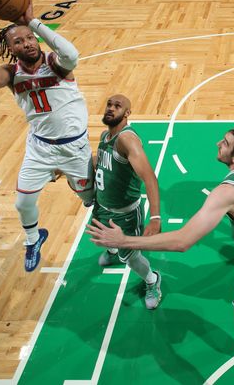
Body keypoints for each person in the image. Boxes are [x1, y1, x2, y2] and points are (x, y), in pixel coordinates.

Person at [86, 128, 234, 385]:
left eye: (224, 143)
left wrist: (124, 240)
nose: (218, 143)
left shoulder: (228, 193)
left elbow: (183, 241)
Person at [0, 0, 95, 271]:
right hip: (40, 149)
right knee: (23, 203)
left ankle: (109, 238)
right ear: (11, 49)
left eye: (29, 38)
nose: (27, 43)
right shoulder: (11, 74)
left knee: (89, 199)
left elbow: (72, 54)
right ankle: (33, 238)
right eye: (19, 41)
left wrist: (33, 22)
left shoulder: (56, 64)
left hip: (74, 148)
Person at [92, 94, 163, 309]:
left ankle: (152, 280)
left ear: (127, 113)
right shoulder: (105, 135)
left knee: (132, 259)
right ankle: (112, 250)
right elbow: (103, 164)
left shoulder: (126, 139)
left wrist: (156, 217)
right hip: (103, 206)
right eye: (109, 104)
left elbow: (149, 177)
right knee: (100, 238)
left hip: (125, 214)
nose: (111, 108)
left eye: (117, 106)